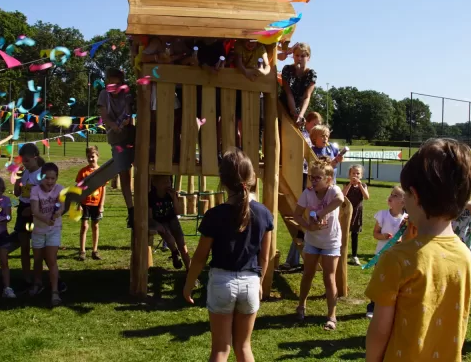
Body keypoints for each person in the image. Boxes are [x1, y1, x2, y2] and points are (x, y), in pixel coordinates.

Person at [365, 139, 471, 362]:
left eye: (405, 194)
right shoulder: (465, 255)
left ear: (414, 196)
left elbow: (379, 330)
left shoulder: (396, 258)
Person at [183, 150, 274, 362]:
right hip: (250, 282)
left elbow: (200, 257)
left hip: (221, 283)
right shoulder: (264, 213)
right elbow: (265, 256)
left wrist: (189, 284)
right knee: (244, 347)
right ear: (251, 178)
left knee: (220, 350)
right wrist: (259, 282)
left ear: (223, 181)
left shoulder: (214, 215)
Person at [294, 157, 345, 331]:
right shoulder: (307, 193)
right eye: (311, 177)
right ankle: (301, 306)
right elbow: (297, 214)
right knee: (307, 274)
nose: (313, 181)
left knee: (329, 278)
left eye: (317, 178)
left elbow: (340, 200)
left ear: (328, 179)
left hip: (331, 241)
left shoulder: (333, 190)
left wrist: (320, 213)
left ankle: (332, 315)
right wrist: (309, 226)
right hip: (312, 240)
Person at [279, 112, 324, 271]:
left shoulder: (318, 143)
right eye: (315, 123)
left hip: (309, 180)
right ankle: (295, 259)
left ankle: (297, 259)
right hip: (301, 177)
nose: (317, 127)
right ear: (308, 123)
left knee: (306, 220)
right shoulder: (303, 136)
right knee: (302, 220)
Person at [97, 67, 135, 228]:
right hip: (116, 138)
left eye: (117, 84)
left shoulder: (126, 94)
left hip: (131, 134)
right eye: (110, 83)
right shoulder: (103, 95)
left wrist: (125, 122)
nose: (113, 87)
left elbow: (128, 112)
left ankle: (145, 206)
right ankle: (131, 210)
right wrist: (114, 125)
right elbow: (104, 116)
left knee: (143, 172)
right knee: (124, 175)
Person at [365, 185, 407, 319]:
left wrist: (401, 239)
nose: (390, 197)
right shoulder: (382, 214)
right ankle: (372, 306)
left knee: (395, 283)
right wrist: (383, 236)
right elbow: (375, 234)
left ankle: (392, 307)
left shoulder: (407, 219)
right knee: (378, 281)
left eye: (395, 195)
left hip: (398, 258)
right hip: (381, 255)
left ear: (403, 202)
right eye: (391, 194)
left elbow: (410, 237)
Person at [29, 162, 65, 306]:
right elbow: (35, 211)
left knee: (51, 260)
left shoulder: (60, 189)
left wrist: (57, 213)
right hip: (38, 230)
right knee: (37, 260)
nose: (50, 181)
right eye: (47, 178)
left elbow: (62, 206)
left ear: (56, 178)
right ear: (41, 177)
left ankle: (55, 291)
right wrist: (45, 219)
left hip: (53, 230)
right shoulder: (35, 190)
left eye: (53, 178)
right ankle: (37, 283)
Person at [13, 142, 44, 288]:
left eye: (27, 160)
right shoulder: (24, 172)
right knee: (24, 246)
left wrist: (32, 210)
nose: (24, 164)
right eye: (22, 160)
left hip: (36, 211)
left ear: (35, 157)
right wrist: (18, 178)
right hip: (23, 209)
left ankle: (38, 276)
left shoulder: (41, 174)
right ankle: (26, 276)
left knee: (37, 246)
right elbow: (17, 193)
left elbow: (45, 197)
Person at [148, 175, 190, 270]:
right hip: (160, 221)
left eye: (169, 181)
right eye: (164, 182)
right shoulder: (151, 197)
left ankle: (189, 270)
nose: (167, 184)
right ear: (155, 184)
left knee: (182, 245)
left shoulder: (170, 195)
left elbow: (178, 212)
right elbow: (149, 217)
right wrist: (156, 224)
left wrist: (174, 198)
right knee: (168, 236)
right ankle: (175, 253)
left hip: (172, 220)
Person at [76, 146, 107, 261]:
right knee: (84, 226)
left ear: (97, 157)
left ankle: (95, 250)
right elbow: (78, 189)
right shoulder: (83, 172)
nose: (91, 159)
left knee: (95, 225)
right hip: (85, 203)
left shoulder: (101, 171)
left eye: (93, 157)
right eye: (89, 157)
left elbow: (103, 189)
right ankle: (82, 251)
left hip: (96, 204)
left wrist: (101, 205)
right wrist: (79, 204)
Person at [280, 42, 316, 125]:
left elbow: (307, 96)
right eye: (297, 55)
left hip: (300, 108)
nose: (299, 58)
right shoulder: (287, 69)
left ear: (308, 58)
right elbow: (288, 92)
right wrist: (293, 112)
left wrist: (300, 115)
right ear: (293, 56)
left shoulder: (311, 74)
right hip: (284, 107)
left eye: (303, 56)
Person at [343, 164, 370, 266]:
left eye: (358, 173)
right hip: (346, 212)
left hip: (357, 213)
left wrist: (359, 185)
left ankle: (354, 256)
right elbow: (342, 195)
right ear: (349, 175)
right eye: (353, 173)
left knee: (355, 234)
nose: (355, 175)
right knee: (344, 233)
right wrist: (350, 184)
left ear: (361, 175)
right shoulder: (346, 184)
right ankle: (342, 253)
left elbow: (366, 197)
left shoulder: (363, 186)